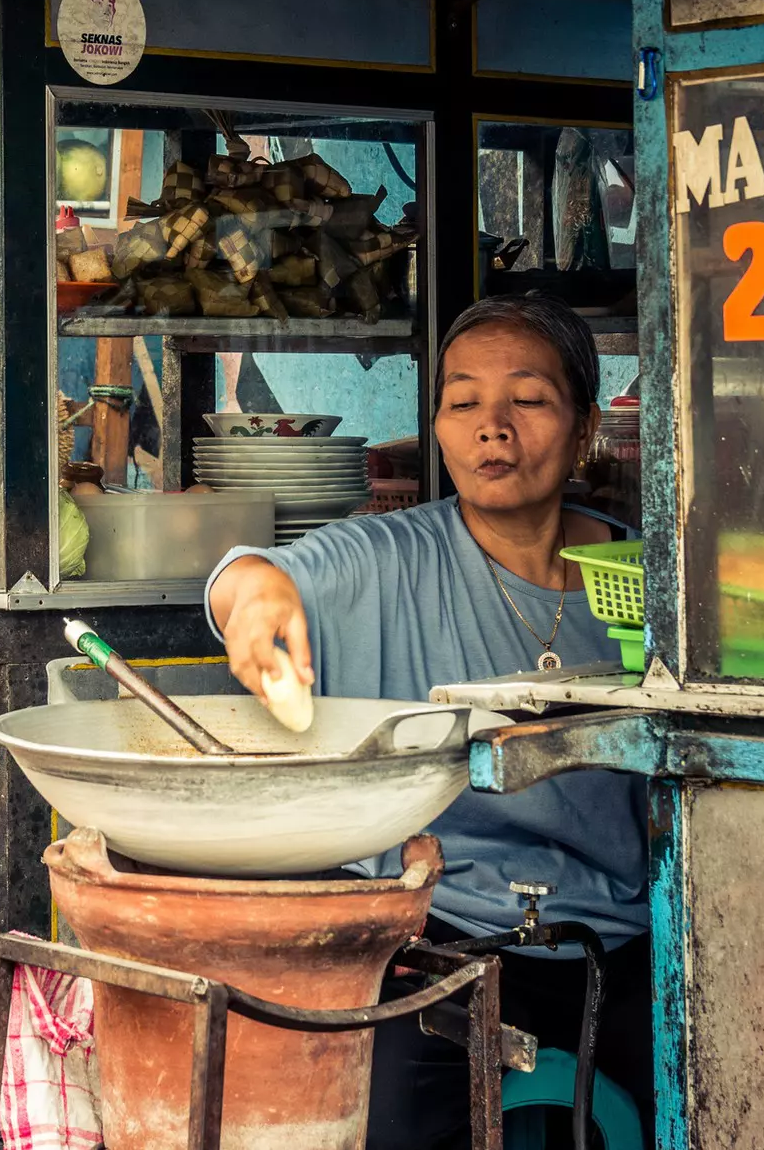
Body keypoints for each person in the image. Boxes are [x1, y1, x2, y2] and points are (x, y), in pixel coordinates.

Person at [205, 293, 651, 1148]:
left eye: (527, 398)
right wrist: (258, 603)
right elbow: (246, 575)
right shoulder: (388, 556)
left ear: (585, 424)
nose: (494, 427)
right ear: (439, 427)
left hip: (620, 940)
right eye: (464, 402)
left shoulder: (639, 578)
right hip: (440, 938)